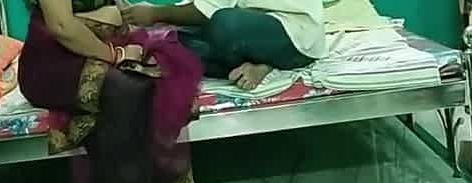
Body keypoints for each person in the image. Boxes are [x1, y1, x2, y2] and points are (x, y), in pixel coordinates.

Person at [18, 0, 203, 183]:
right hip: (53, 62)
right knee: (125, 89)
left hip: (100, 46)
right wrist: (116, 55)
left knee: (158, 74)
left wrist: (125, 26)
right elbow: (62, 26)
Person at [121, 0, 327, 90]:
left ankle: (265, 64)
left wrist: (154, 14)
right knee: (169, 44)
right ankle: (252, 65)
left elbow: (206, 11)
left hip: (295, 37)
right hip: (253, 29)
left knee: (224, 24)